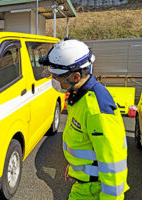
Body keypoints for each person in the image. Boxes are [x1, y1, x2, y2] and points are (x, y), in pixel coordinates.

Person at [44, 38, 129, 199]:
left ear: (76, 76)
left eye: (57, 77)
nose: (54, 80)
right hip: (84, 184)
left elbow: (114, 167)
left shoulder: (97, 110)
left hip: (95, 191)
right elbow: (85, 143)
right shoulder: (78, 96)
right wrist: (75, 168)